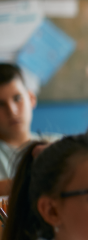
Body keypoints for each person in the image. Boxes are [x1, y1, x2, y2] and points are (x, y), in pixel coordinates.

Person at [0, 63, 59, 195]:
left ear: (31, 98)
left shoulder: (60, 144)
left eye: (17, 98)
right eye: (1, 104)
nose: (12, 111)